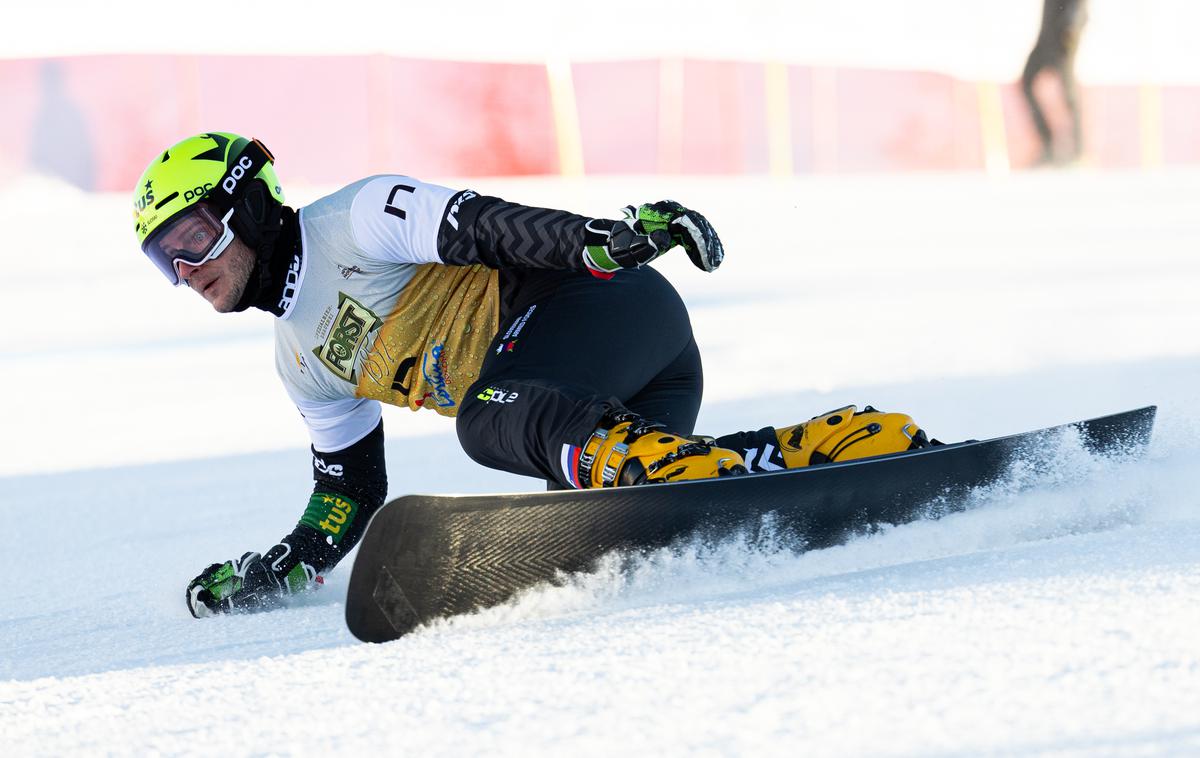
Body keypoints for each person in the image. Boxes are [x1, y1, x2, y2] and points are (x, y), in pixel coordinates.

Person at [132, 132, 930, 617]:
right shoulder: (299, 363)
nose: (186, 268)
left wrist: (607, 239)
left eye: (194, 236)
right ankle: (851, 444)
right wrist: (283, 566)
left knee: (486, 418)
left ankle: (662, 467)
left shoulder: (355, 216)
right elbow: (350, 490)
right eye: (165, 259)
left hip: (609, 308)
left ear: (249, 205)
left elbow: (489, 224)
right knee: (603, 521)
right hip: (590, 401)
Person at [1022, 0, 1089, 165]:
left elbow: (1079, 7)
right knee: (1027, 81)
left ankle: (1078, 151)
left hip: (1064, 37)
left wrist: (1071, 26)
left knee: (1069, 94)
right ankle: (1048, 144)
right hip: (1045, 39)